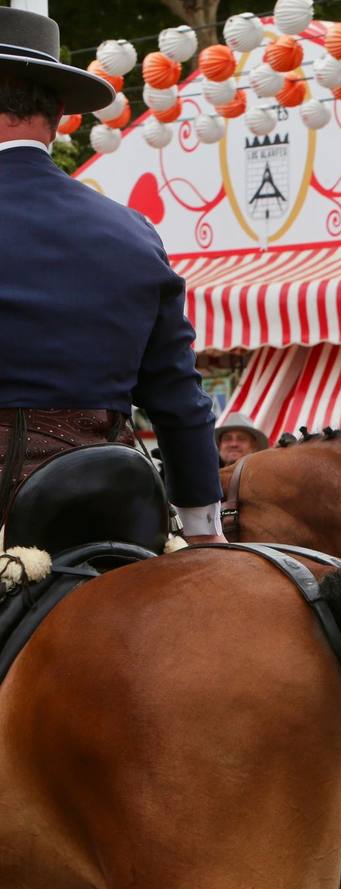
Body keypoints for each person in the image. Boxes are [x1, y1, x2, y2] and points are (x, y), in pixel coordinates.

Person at [0, 7, 223, 544]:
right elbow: (177, 394)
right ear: (57, 113)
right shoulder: (133, 232)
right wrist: (201, 526)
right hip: (106, 508)